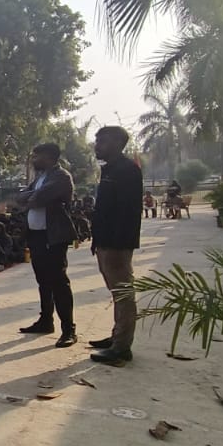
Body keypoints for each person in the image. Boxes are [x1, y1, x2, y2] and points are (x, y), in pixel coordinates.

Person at [89, 126, 144, 366]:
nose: (97, 146)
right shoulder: (110, 170)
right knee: (117, 293)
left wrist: (118, 244)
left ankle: (121, 348)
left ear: (117, 143)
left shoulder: (127, 170)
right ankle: (116, 337)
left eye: (102, 141)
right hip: (105, 242)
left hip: (116, 244)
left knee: (123, 295)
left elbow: (127, 212)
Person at [16, 142, 79, 348]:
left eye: (37, 156)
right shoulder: (39, 178)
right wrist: (31, 196)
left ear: (49, 157)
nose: (34, 160)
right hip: (36, 236)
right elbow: (21, 197)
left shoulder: (61, 176)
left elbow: (39, 198)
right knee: (43, 280)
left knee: (58, 282)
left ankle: (68, 330)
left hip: (53, 237)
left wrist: (32, 197)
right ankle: (46, 321)